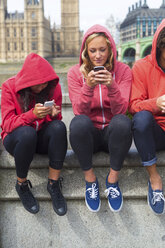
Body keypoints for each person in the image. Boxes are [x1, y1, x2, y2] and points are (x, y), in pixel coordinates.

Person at [67, 24, 132, 213]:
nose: (97, 55)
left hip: (113, 135)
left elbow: (121, 110)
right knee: (78, 123)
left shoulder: (123, 71)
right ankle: (90, 180)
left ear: (110, 49)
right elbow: (79, 111)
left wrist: (112, 86)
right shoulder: (75, 73)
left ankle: (112, 181)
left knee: (123, 122)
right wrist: (88, 86)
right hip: (91, 137)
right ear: (86, 52)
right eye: (92, 50)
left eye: (102, 50)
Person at [1, 53, 67, 216]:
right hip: (16, 140)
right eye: (37, 85)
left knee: (59, 127)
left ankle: (53, 184)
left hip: (40, 138)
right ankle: (22, 184)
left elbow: (55, 122)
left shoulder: (53, 87)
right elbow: (7, 124)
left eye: (44, 84)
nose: (41, 88)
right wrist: (32, 115)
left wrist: (53, 115)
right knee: (27, 133)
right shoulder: (9, 87)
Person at [129, 19, 165, 215]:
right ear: (160, 47)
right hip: (157, 132)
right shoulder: (141, 67)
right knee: (141, 119)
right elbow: (133, 106)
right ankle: (154, 178)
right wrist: (155, 104)